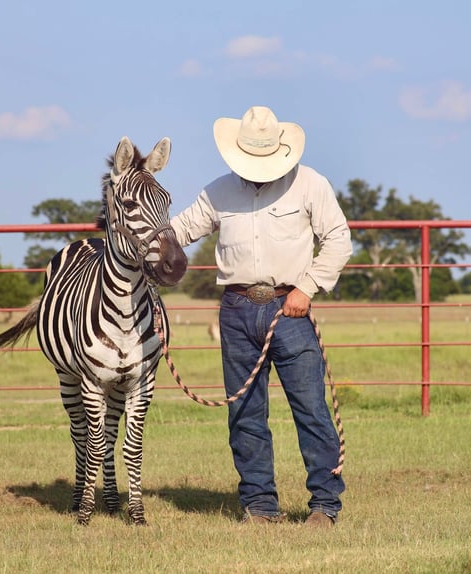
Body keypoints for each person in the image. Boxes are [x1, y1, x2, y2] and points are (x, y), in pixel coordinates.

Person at [170, 106, 353, 527]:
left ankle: (325, 504)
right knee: (245, 413)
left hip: (290, 306)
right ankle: (259, 506)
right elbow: (181, 230)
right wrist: (141, 238)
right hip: (235, 310)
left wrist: (307, 287)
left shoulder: (310, 184)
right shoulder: (218, 192)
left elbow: (338, 240)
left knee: (309, 407)